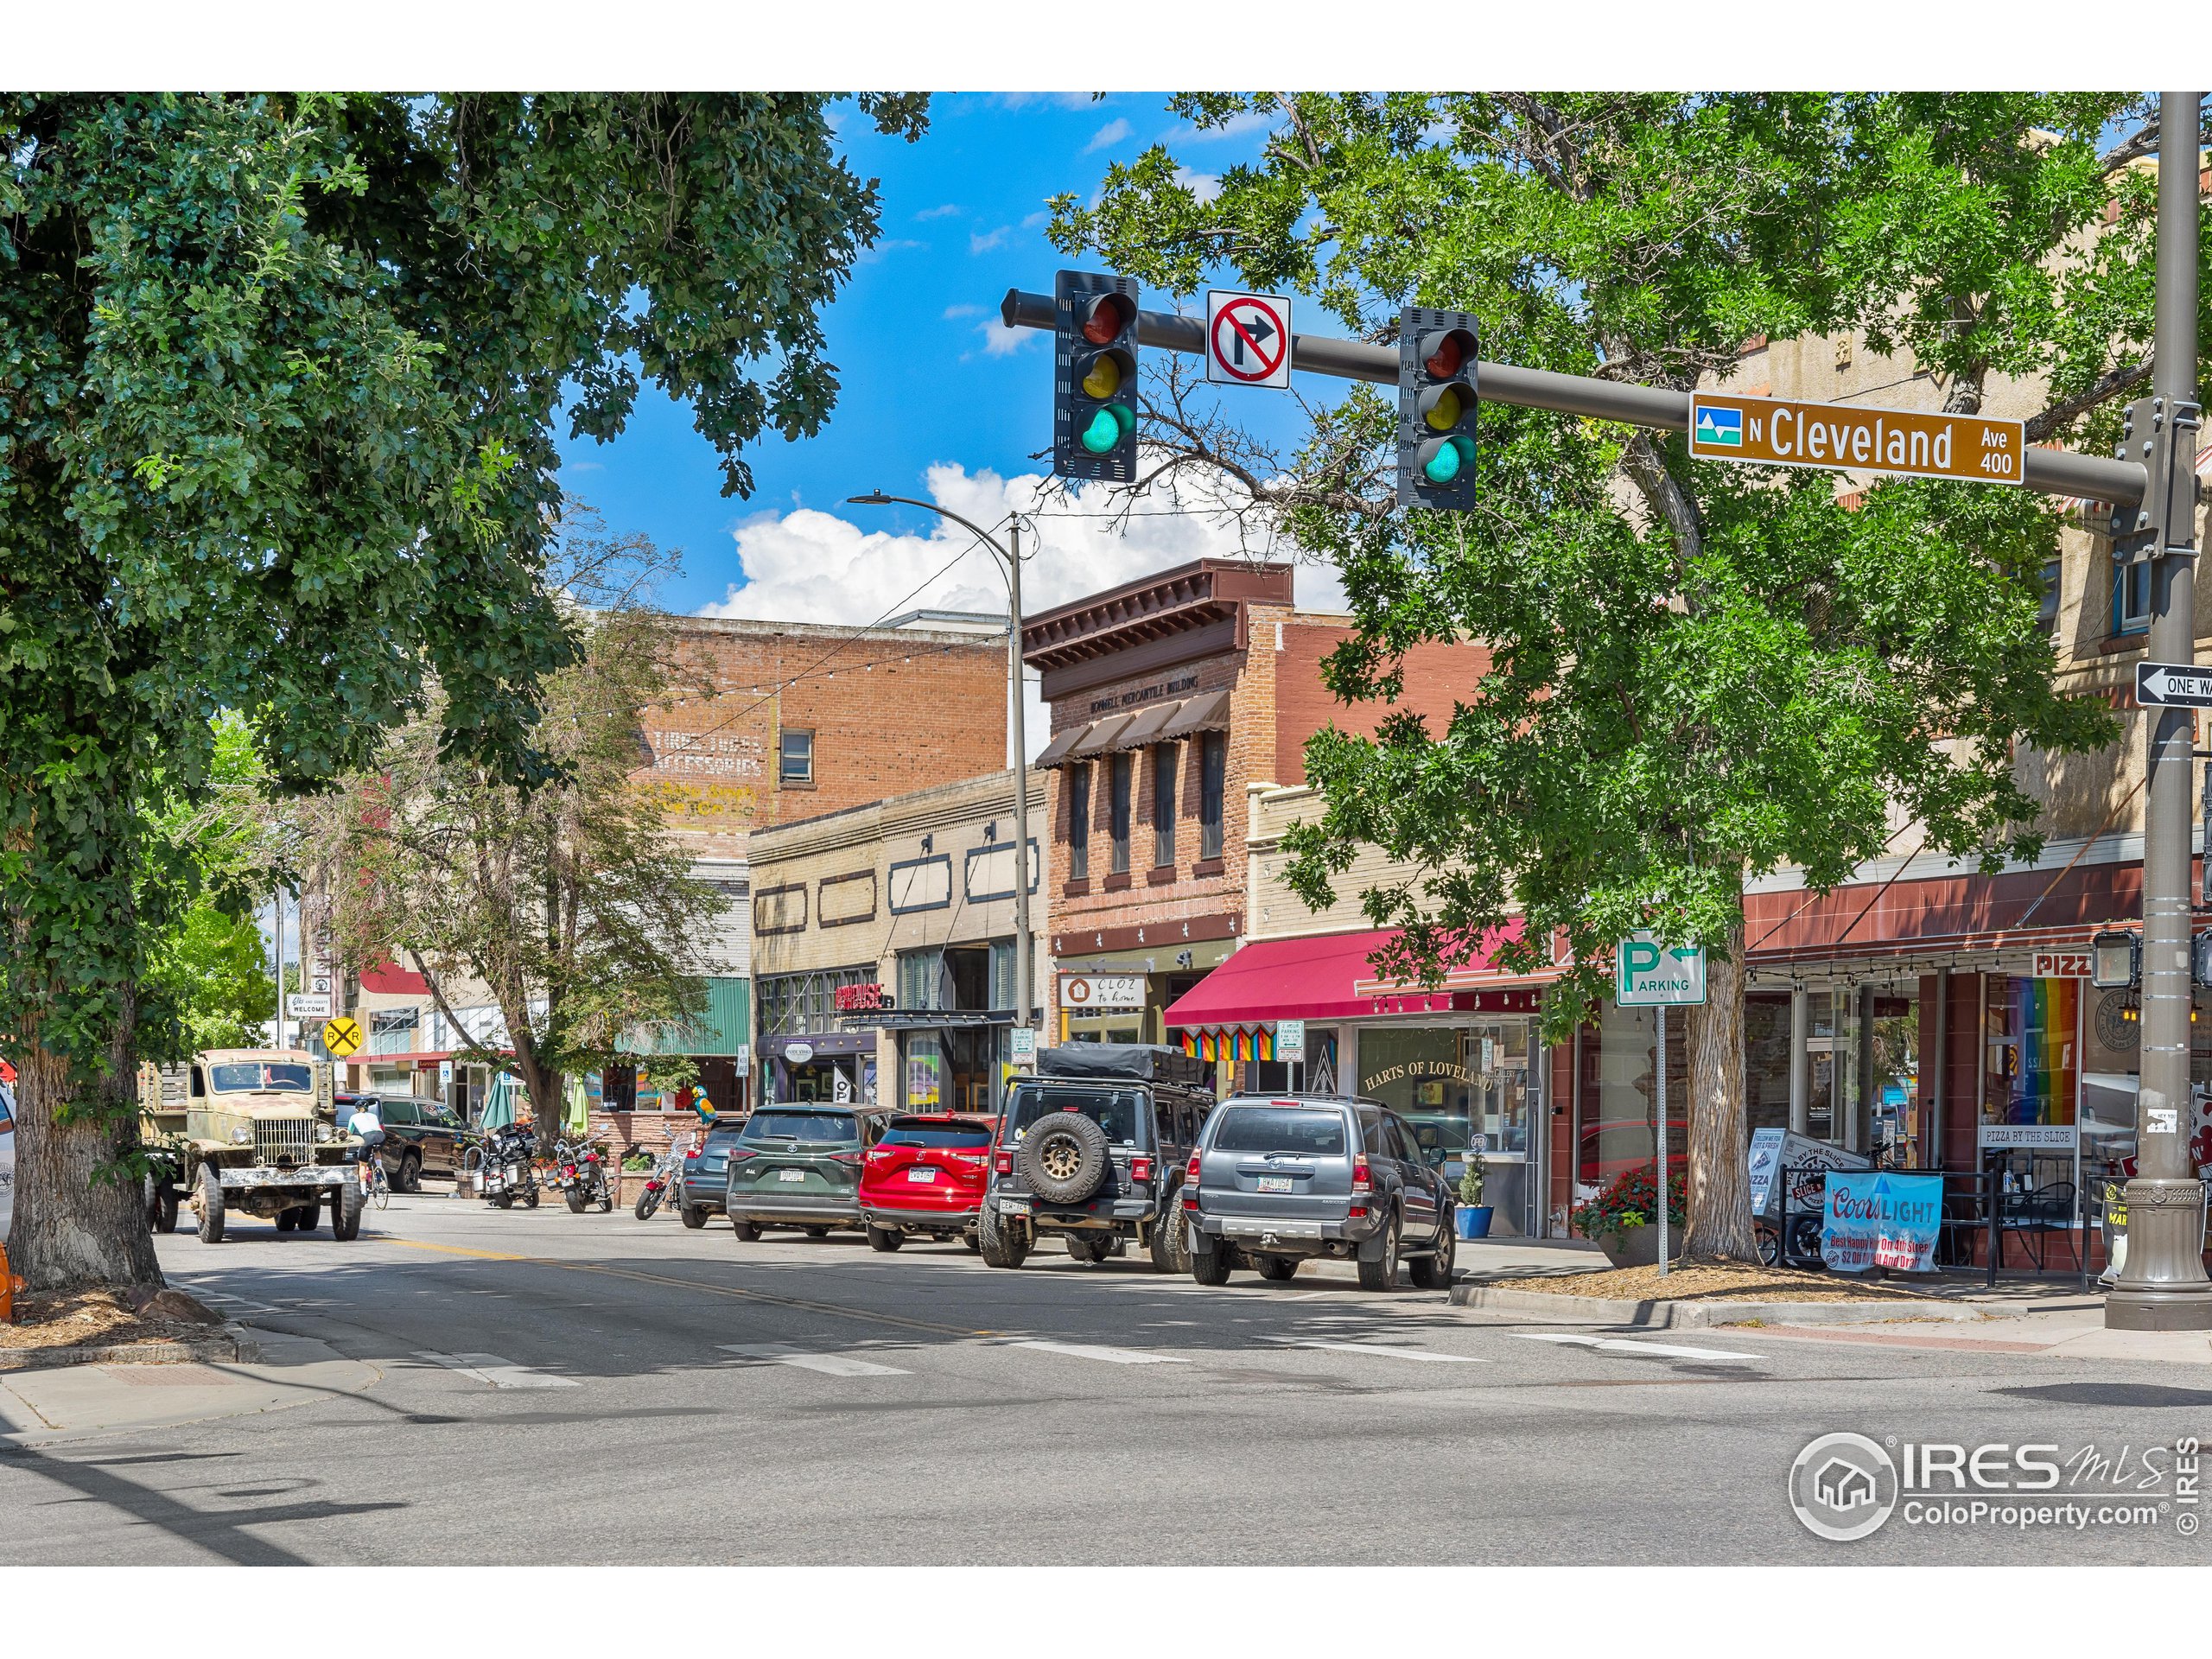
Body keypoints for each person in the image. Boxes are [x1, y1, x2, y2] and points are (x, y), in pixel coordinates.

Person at [346, 1096, 385, 1194]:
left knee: (362, 1164)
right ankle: (379, 1170)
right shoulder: (374, 1116)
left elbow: (349, 1133)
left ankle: (364, 1191)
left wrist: (347, 1145)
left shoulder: (353, 1117)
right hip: (381, 1136)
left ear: (357, 1109)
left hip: (368, 1137)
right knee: (377, 1150)